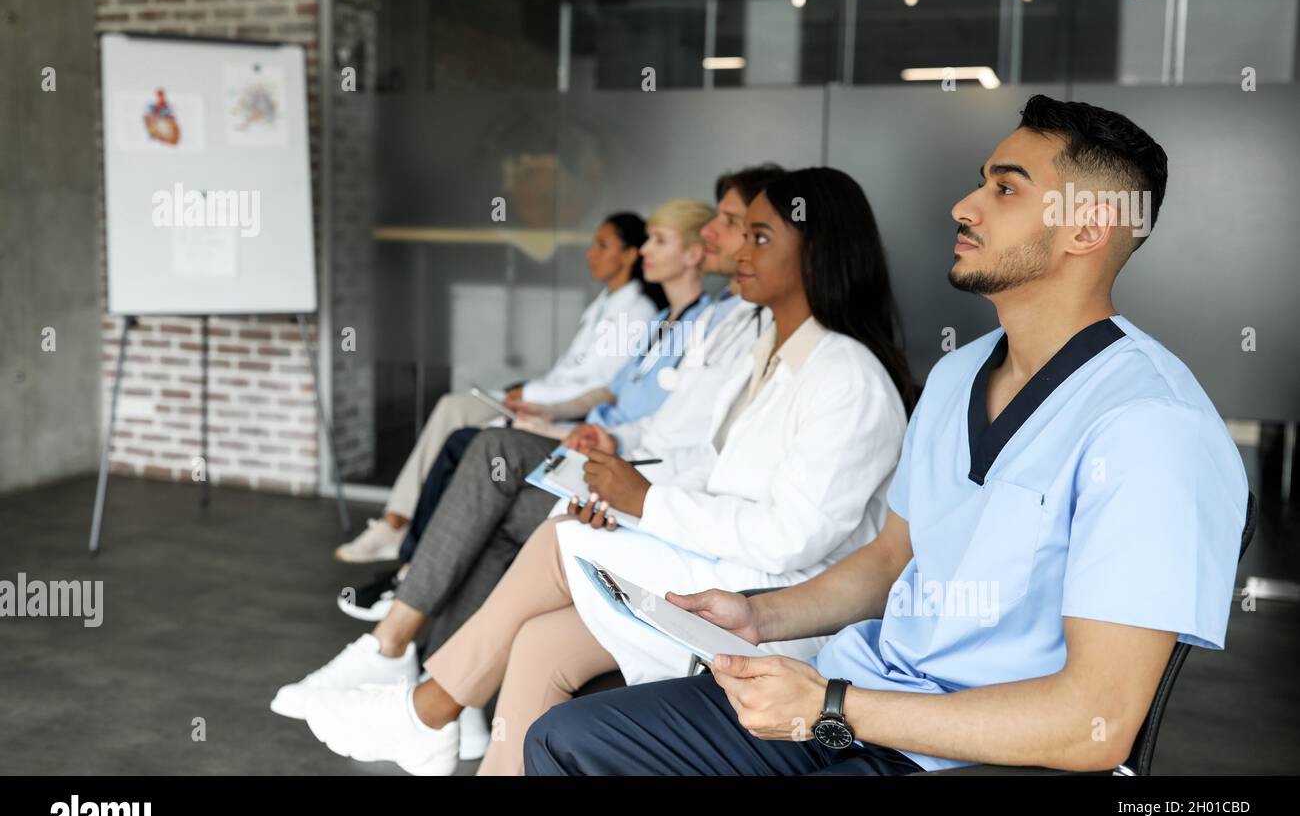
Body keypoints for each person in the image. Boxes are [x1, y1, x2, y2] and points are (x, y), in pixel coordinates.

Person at [524, 95, 1250, 777]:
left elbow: (1095, 720)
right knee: (568, 740)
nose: (963, 206)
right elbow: (891, 557)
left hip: (967, 753)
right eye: (980, 183)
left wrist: (834, 708)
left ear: (1088, 228)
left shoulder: (1154, 428)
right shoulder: (958, 375)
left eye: (1006, 189)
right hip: (852, 699)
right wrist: (757, 613)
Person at [300, 167, 915, 776]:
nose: (735, 252)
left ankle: (426, 709)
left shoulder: (848, 378)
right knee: (542, 640)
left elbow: (791, 539)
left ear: (817, 252)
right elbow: (710, 460)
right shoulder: (774, 351)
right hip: (722, 561)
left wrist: (646, 503)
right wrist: (622, 493)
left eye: (759, 237)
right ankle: (439, 720)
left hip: (776, 605)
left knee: (560, 539)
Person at [271, 196, 716, 724]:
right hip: (600, 447)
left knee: (488, 453)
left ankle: (401, 651)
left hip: (628, 474)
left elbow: (674, 435)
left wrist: (579, 429)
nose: (645, 250)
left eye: (657, 241)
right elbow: (608, 396)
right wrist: (560, 417)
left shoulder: (707, 327)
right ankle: (433, 687)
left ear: (697, 252)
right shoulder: (662, 321)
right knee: (482, 455)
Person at [334, 213, 662, 563]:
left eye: (603, 245)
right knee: (453, 405)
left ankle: (401, 526)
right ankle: (395, 522)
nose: (589, 254)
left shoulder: (636, 312)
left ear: (629, 255)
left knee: (459, 421)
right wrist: (528, 389)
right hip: (542, 395)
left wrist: (532, 396)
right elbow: (569, 370)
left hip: (558, 409)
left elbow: (596, 385)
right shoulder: (605, 304)